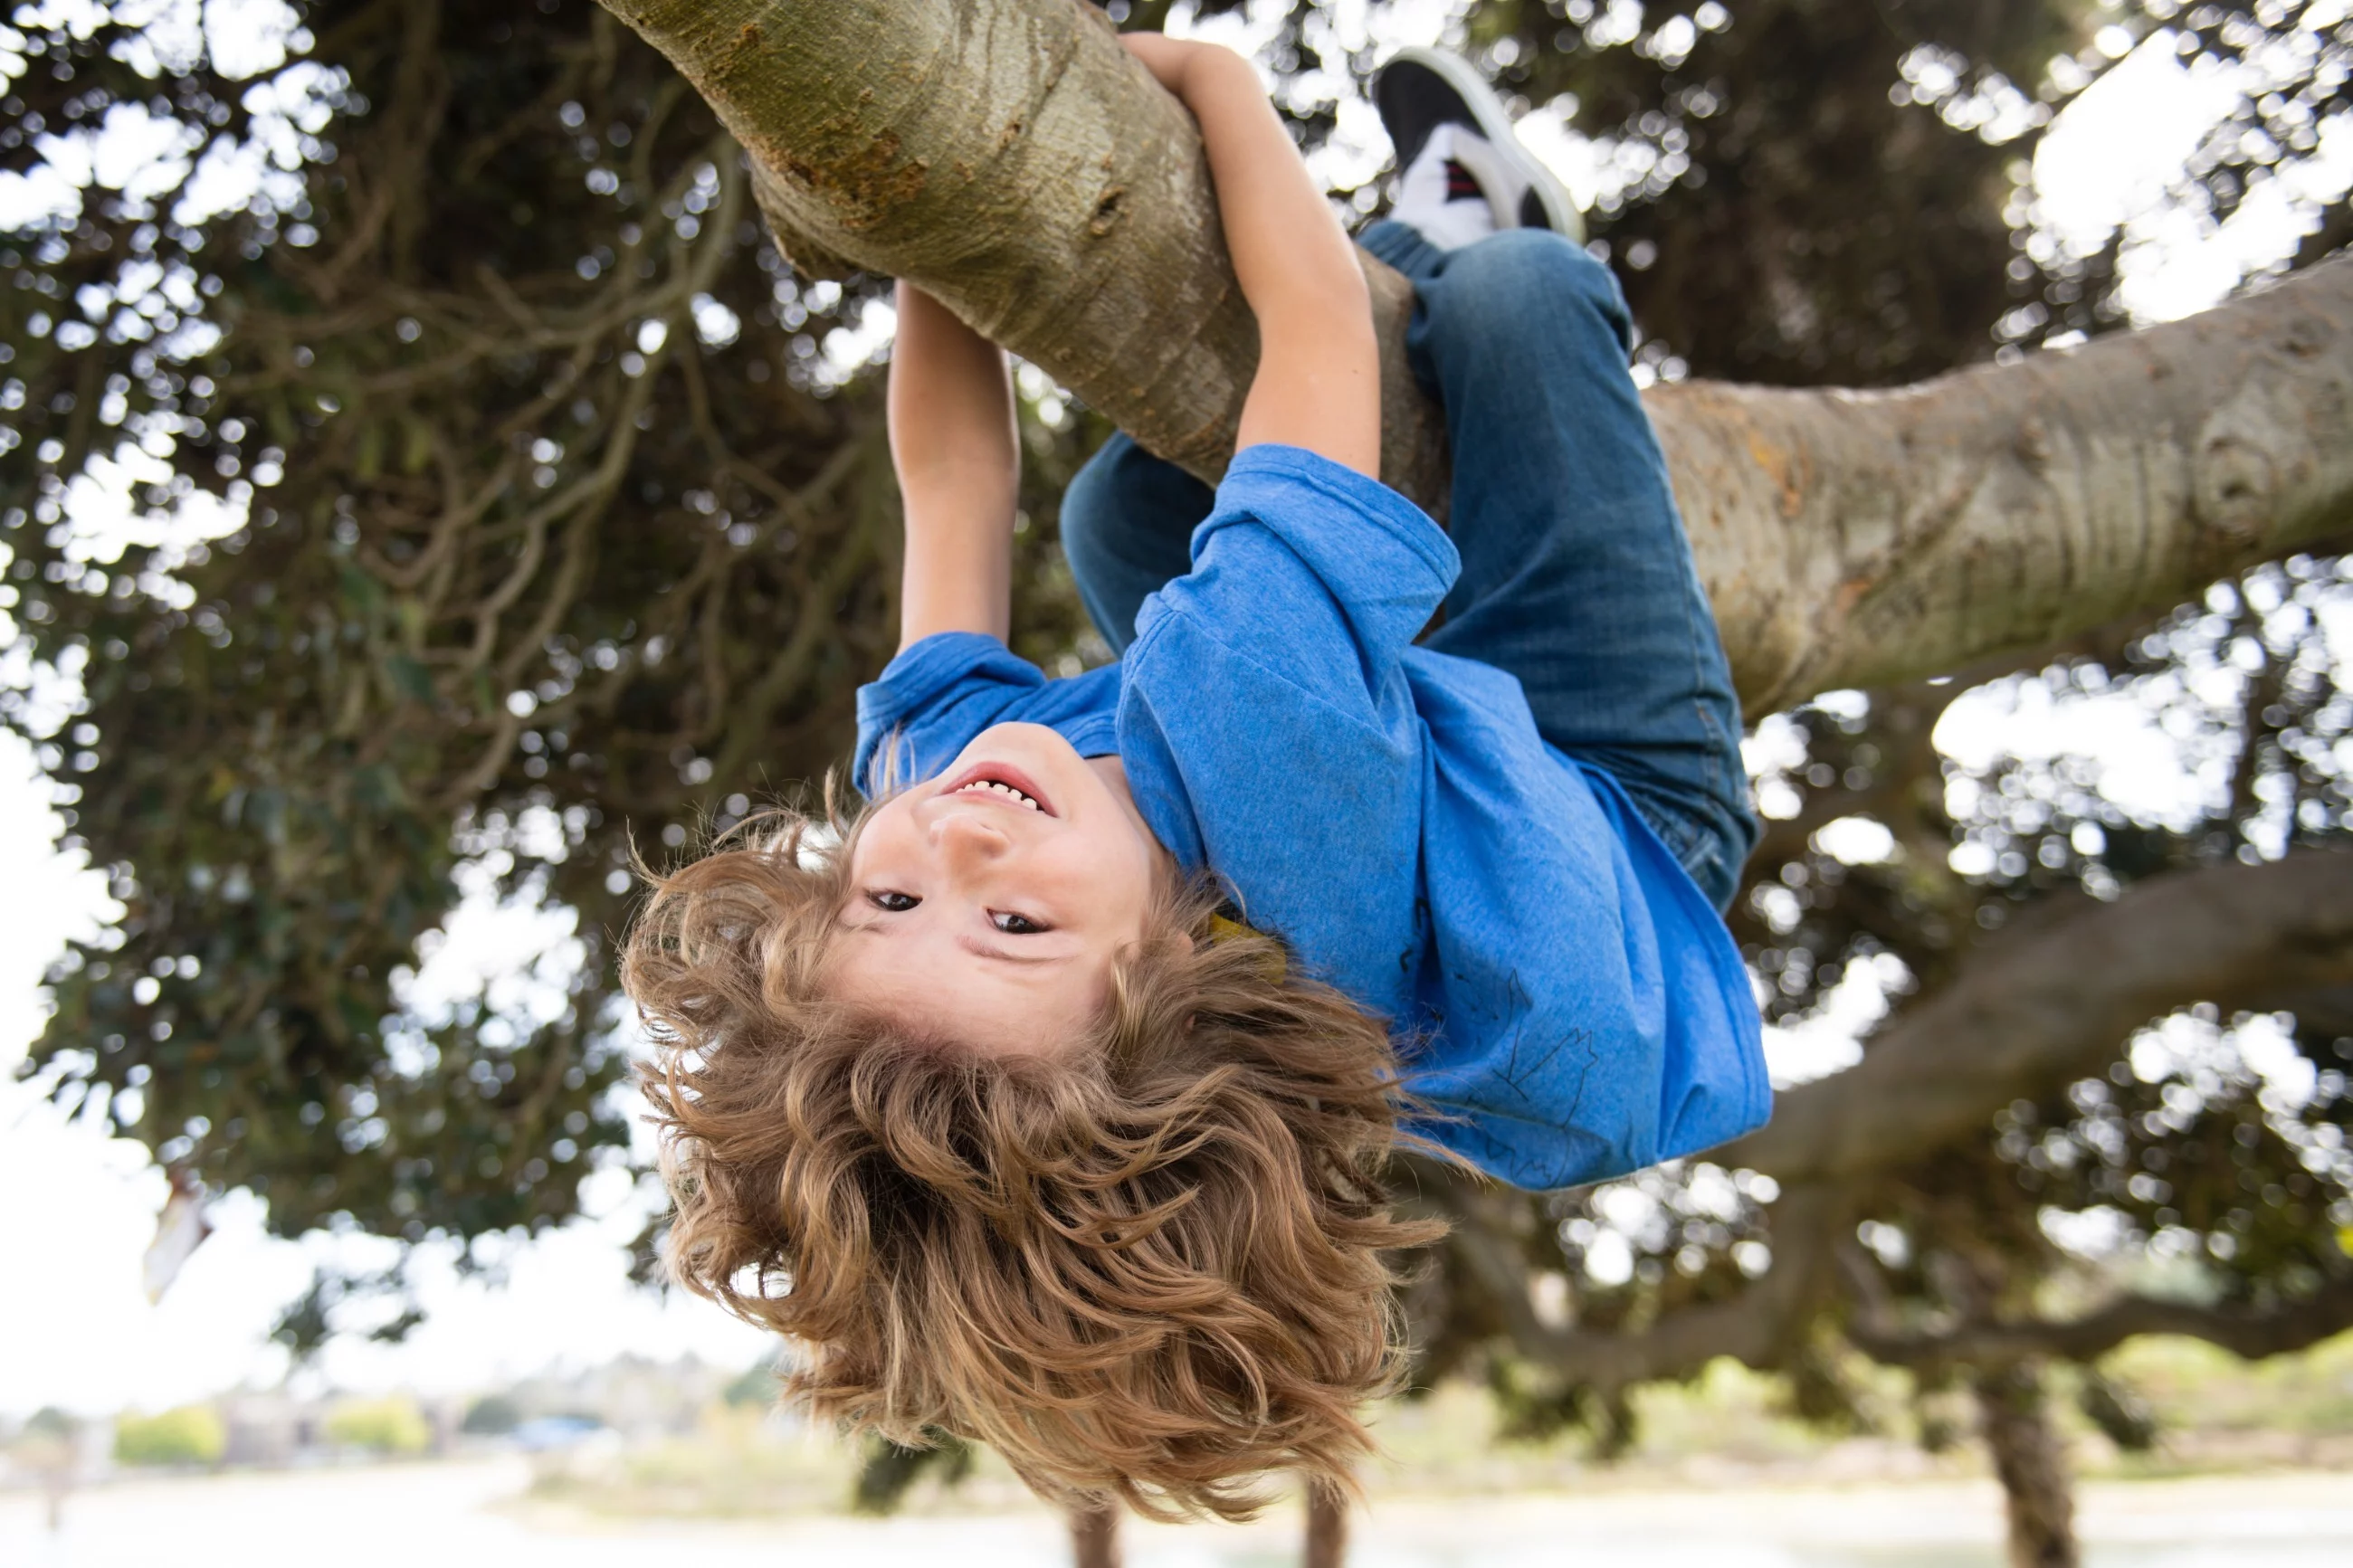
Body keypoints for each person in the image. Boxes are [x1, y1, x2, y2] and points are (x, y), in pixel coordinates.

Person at [622, 36, 1767, 1522]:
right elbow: (1315, 335)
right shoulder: (1258, 731)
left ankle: (1357, 560)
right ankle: (1467, 203)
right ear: (1183, 979)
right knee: (1510, 312)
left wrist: (915, 219)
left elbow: (954, 490)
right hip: (1610, 799)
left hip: (1396, 779)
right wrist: (1222, 84)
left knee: (1120, 509)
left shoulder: (934, 785)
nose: (957, 851)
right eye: (1016, 931)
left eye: (887, 898)